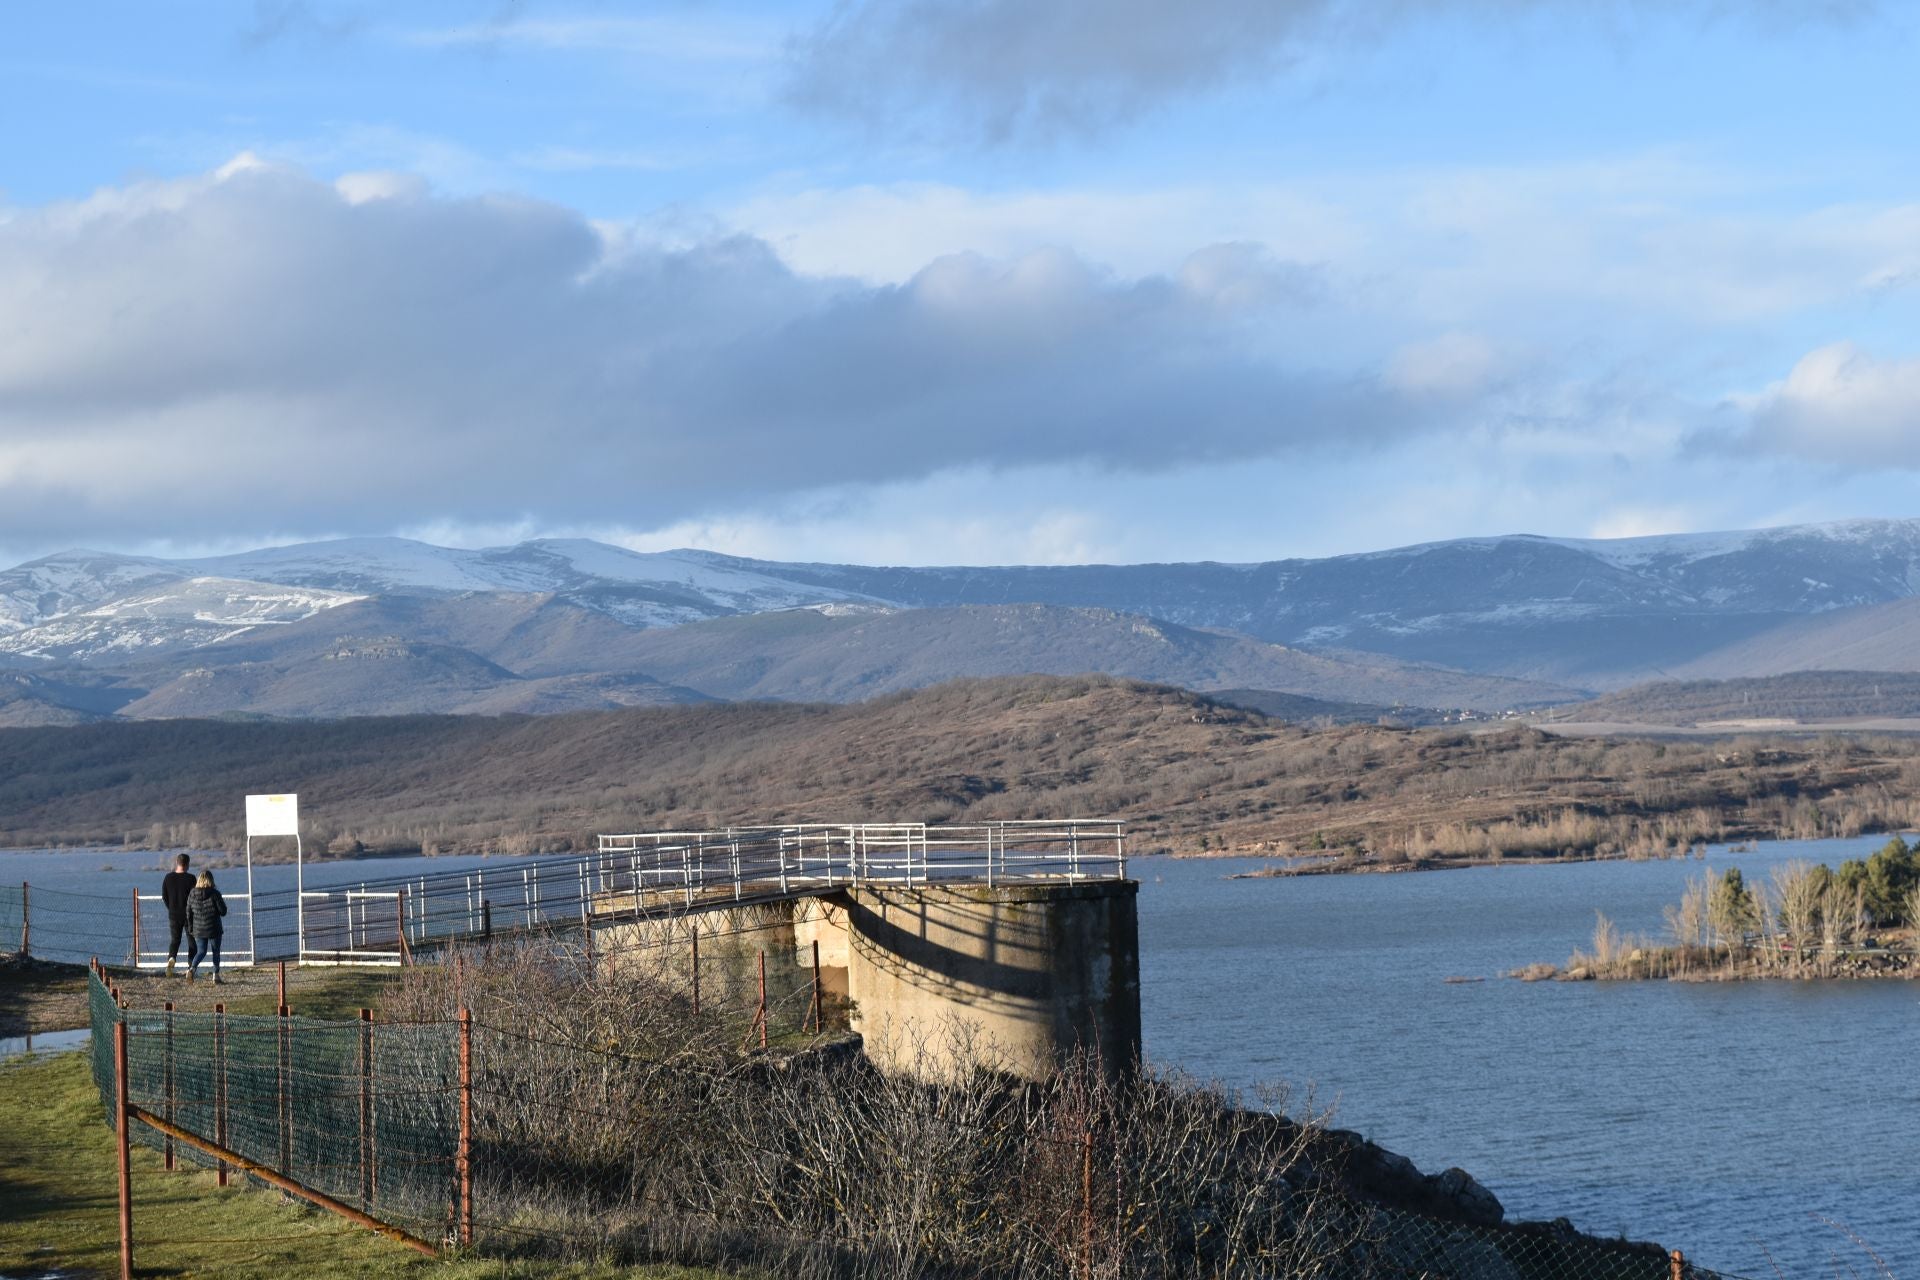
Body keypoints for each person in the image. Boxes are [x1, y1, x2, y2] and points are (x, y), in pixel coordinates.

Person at [186, 869, 228, 985]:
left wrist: (191, 929)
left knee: (201, 951)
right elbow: (223, 911)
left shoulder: (192, 894)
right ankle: (216, 976)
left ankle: (192, 969)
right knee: (216, 952)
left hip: (198, 929)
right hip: (214, 928)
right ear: (211, 880)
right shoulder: (215, 893)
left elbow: (188, 913)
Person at [160, 854, 195, 977]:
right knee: (192, 942)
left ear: (177, 862)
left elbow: (164, 896)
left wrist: (171, 908)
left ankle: (172, 958)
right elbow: (194, 897)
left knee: (175, 940)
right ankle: (191, 968)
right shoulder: (191, 879)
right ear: (187, 864)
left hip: (173, 914)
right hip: (188, 915)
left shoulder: (168, 878)